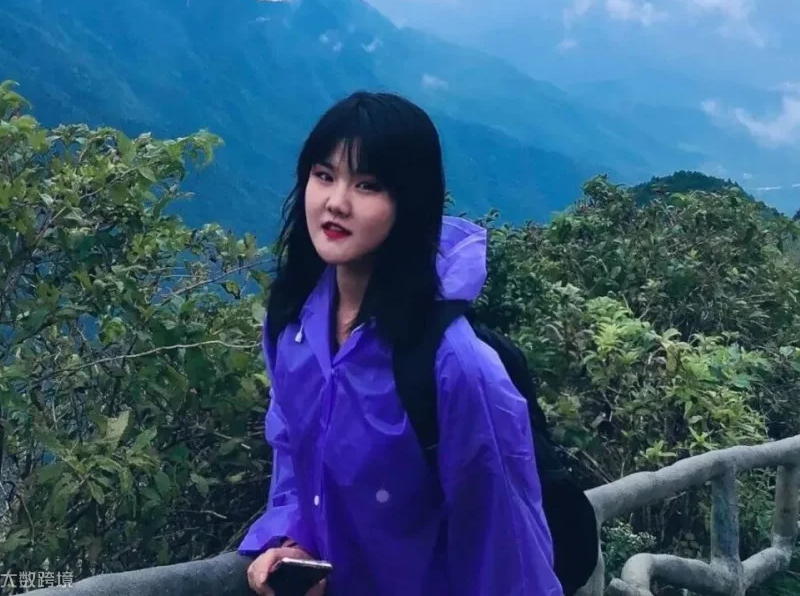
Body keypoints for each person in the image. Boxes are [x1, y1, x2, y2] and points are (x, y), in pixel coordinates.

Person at [239, 91, 562, 596]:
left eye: (367, 185)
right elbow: (292, 455)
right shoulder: (292, 324)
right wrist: (293, 539)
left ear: (409, 203)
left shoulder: (454, 366)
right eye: (324, 175)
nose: (336, 202)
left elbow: (506, 552)